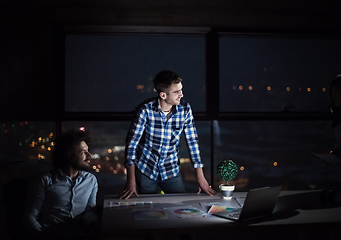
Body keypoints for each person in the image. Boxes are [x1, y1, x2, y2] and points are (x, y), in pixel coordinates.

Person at [119, 70, 216, 199]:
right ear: (163, 95)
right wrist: (130, 181)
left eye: (181, 90)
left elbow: (192, 142)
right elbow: (132, 144)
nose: (181, 95)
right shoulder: (146, 110)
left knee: (180, 206)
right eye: (176, 92)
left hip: (171, 170)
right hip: (145, 169)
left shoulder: (185, 109)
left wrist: (201, 177)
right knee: (147, 210)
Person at [23, 130, 99, 239]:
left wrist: (93, 223)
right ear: (69, 155)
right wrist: (41, 235)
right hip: (49, 234)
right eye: (83, 152)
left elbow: (89, 212)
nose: (89, 155)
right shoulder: (44, 180)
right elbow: (30, 218)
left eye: (88, 150)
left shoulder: (91, 180)